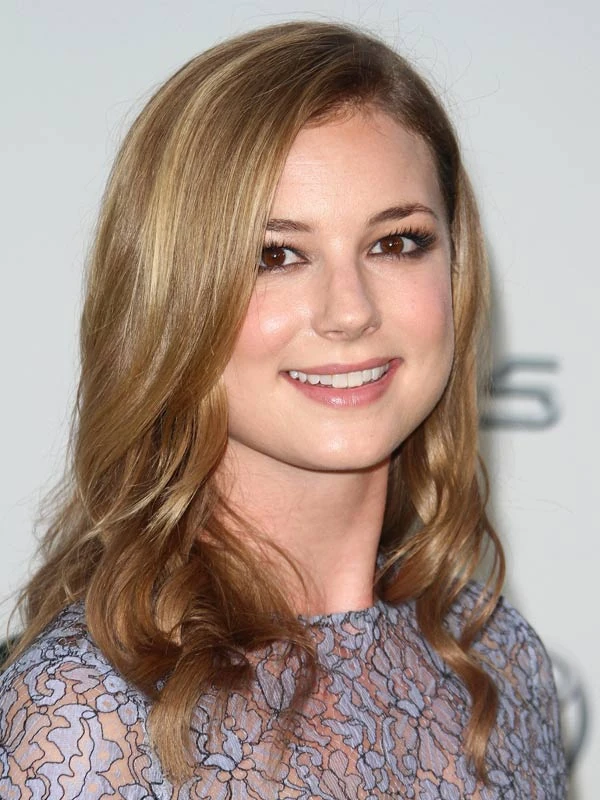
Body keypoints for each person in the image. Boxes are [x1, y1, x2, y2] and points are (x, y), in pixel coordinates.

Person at [0, 20, 566, 799]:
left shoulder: (496, 663)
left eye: (397, 243)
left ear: (456, 268)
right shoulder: (88, 716)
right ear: (170, 300)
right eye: (277, 255)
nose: (349, 310)